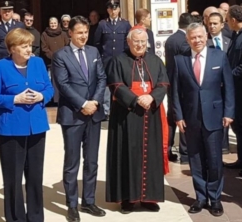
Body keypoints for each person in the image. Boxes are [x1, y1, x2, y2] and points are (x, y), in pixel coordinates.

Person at [0, 28, 54, 222]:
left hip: (37, 127)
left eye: (29, 45)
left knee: (35, 177)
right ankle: (15, 218)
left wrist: (42, 96)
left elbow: (49, 88)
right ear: (12, 48)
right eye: (24, 46)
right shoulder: (0, 67)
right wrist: (14, 99)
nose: (28, 49)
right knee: (13, 179)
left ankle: (35, 217)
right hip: (11, 129)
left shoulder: (38, 63)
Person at [172, 23, 234, 217]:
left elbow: (229, 87)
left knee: (215, 160)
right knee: (196, 160)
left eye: (200, 36)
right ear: (188, 39)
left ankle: (215, 198)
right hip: (190, 119)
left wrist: (229, 112)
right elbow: (174, 91)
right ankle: (200, 197)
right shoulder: (179, 60)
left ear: (205, 36)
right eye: (193, 38)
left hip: (215, 117)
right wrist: (178, 116)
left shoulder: (219, 56)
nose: (197, 40)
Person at [105, 26, 169, 214]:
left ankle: (150, 198)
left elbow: (163, 82)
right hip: (127, 115)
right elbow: (115, 84)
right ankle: (128, 198)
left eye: (143, 42)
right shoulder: (118, 61)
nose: (140, 45)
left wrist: (151, 97)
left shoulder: (155, 60)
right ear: (128, 42)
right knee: (128, 154)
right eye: (136, 42)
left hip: (151, 113)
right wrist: (135, 99)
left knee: (151, 155)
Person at [52, 16, 107, 222]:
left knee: (91, 161)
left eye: (86, 32)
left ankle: (89, 201)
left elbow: (102, 78)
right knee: (72, 161)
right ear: (70, 33)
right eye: (79, 32)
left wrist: (94, 102)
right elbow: (63, 84)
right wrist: (83, 104)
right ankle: (72, 204)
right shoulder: (60, 55)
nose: (83, 36)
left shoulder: (94, 52)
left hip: (94, 114)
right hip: (73, 115)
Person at [164, 13, 195, 164]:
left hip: (170, 82)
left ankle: (167, 148)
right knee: (183, 118)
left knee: (172, 117)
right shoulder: (184, 41)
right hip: (182, 84)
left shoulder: (171, 39)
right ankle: (185, 152)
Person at [94, 0, 132, 120]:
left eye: (115, 8)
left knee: (122, 82)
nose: (113, 11)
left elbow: (128, 42)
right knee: (105, 85)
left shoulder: (125, 24)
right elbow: (97, 42)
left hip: (121, 59)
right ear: (107, 10)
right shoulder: (102, 24)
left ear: (119, 9)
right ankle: (106, 111)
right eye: (111, 8)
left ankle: (122, 105)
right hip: (106, 59)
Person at [207, 12, 231, 153]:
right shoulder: (205, 42)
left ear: (222, 25)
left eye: (215, 23)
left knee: (226, 114)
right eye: (210, 23)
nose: (212, 26)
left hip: (226, 85)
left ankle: (225, 144)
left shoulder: (229, 41)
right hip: (212, 87)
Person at [226, 5, 242, 174]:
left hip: (239, 86)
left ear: (234, 20)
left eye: (227, 19)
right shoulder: (236, 35)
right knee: (238, 126)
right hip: (236, 90)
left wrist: (228, 75)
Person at [41, 17, 69, 103]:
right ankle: (54, 100)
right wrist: (53, 56)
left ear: (58, 24)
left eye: (55, 23)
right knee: (52, 81)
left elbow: (67, 45)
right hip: (51, 62)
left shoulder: (63, 34)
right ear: (49, 24)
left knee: (63, 80)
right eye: (51, 23)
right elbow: (44, 48)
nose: (53, 25)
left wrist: (61, 57)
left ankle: (63, 99)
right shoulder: (44, 34)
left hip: (63, 61)